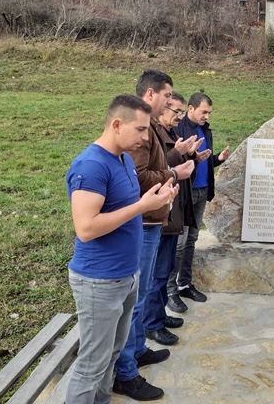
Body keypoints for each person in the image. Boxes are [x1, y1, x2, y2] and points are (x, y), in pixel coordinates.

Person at [65, 94, 178, 404]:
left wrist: (157, 200)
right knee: (92, 365)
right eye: (141, 129)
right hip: (99, 281)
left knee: (112, 355)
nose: (146, 137)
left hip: (127, 276)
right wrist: (142, 205)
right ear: (117, 124)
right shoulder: (90, 165)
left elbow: (126, 209)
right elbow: (86, 228)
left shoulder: (124, 160)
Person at [113, 70, 194, 401]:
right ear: (151, 94)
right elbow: (141, 176)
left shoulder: (148, 129)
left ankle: (137, 350)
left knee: (142, 293)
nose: (171, 102)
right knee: (136, 297)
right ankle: (126, 371)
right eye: (167, 96)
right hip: (143, 221)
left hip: (150, 219)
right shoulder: (140, 132)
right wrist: (175, 172)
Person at [144, 92, 202, 346]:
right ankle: (152, 324)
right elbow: (153, 173)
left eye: (180, 112)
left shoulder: (168, 134)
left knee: (164, 269)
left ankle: (159, 315)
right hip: (159, 214)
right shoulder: (152, 133)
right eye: (175, 111)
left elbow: (175, 171)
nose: (179, 116)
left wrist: (190, 156)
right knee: (156, 274)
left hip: (172, 212)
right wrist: (177, 155)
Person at [167, 92, 230, 313]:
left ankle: (184, 284)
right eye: (204, 111)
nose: (206, 116)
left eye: (209, 112)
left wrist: (218, 159)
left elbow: (200, 161)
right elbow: (178, 160)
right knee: (179, 243)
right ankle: (169, 290)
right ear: (191, 109)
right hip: (185, 192)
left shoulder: (205, 130)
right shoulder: (178, 129)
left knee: (192, 239)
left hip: (202, 191)